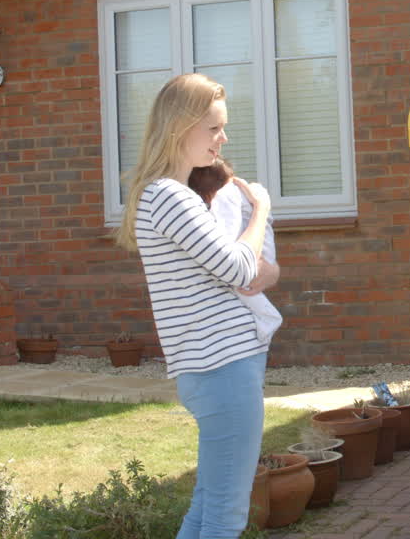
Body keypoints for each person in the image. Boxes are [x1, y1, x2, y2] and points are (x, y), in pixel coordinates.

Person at [113, 73, 279, 538]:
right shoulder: (169, 196)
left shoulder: (172, 195)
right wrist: (261, 208)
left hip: (215, 369)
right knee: (225, 519)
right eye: (213, 128)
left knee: (207, 511)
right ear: (178, 127)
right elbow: (242, 270)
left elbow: (250, 270)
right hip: (221, 370)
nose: (222, 139)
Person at [189, 159, 283, 342]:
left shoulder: (224, 195)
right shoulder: (240, 191)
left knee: (244, 290)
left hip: (249, 254)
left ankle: (267, 320)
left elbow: (229, 233)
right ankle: (267, 319)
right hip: (260, 247)